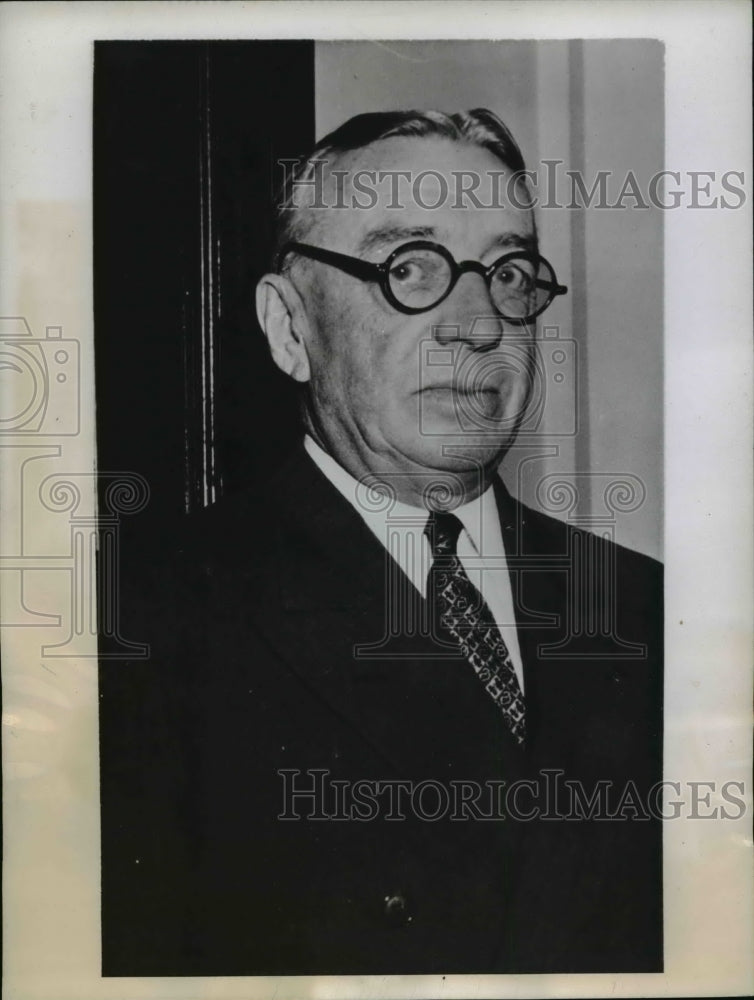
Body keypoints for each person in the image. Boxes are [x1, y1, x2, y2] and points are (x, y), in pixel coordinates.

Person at [101, 109, 662, 976]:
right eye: (411, 268)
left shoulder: (648, 609)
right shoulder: (137, 618)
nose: (479, 325)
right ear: (292, 329)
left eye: (510, 273)